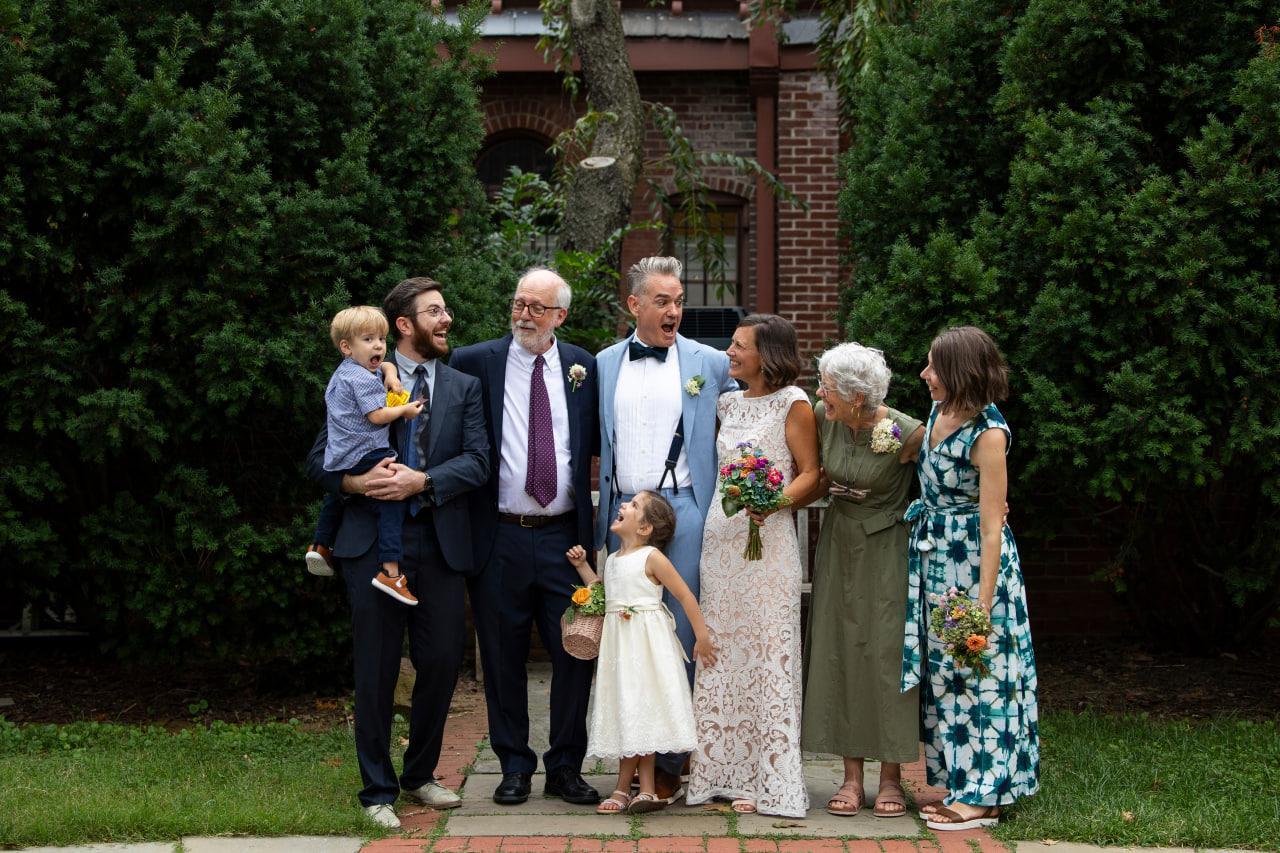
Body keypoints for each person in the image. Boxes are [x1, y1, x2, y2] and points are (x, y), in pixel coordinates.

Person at [305, 276, 489, 829]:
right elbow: (319, 460)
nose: (447, 318)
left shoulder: (463, 387)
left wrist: (423, 481)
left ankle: (420, 774)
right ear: (405, 324)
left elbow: (479, 461)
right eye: (435, 311)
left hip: (439, 541)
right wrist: (357, 484)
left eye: (446, 309)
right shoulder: (357, 378)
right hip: (371, 543)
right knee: (377, 666)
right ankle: (377, 791)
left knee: (441, 661)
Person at [450, 268, 602, 807]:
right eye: (519, 303)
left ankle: (565, 766)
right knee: (501, 655)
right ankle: (513, 764)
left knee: (576, 651)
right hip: (499, 536)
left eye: (538, 307)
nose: (524, 315)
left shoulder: (584, 365)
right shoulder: (474, 361)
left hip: (567, 541)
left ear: (560, 315)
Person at [595, 256, 735, 800]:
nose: (674, 311)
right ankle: (634, 751)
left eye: (678, 302)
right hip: (625, 510)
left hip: (686, 505)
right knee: (630, 628)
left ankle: (674, 760)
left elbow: (756, 403)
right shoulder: (603, 363)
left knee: (681, 623)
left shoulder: (709, 362)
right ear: (635, 305)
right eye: (662, 302)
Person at [901, 325, 1040, 831]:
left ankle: (986, 796)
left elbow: (990, 526)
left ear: (958, 372)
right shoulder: (938, 412)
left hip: (975, 567)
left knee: (983, 676)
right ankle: (962, 781)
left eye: (934, 366)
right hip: (935, 560)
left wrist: (983, 603)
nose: (924, 374)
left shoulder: (988, 434)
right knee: (946, 675)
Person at [685, 314, 820, 818]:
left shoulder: (794, 403)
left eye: (740, 346)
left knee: (766, 652)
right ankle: (720, 771)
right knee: (721, 650)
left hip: (769, 542)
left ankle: (769, 776)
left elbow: (812, 473)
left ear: (768, 355)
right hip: (721, 543)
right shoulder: (726, 404)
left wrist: (774, 502)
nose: (730, 353)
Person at [799, 343, 925, 818]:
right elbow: (811, 473)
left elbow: (943, 486)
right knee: (841, 651)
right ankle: (850, 778)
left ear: (856, 396)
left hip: (888, 548)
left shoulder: (908, 433)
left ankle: (891, 778)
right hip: (838, 544)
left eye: (827, 387)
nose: (819, 393)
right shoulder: (823, 417)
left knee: (888, 655)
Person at [565, 491, 718, 815]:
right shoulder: (613, 560)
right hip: (620, 649)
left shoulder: (652, 557)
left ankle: (625, 788)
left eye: (633, 505)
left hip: (648, 648)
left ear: (645, 528)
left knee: (642, 708)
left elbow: (685, 595)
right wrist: (582, 567)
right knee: (631, 710)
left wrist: (702, 636)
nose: (623, 505)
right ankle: (645, 789)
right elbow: (604, 593)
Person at [306, 306, 424, 604]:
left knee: (334, 497)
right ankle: (390, 570)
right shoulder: (362, 380)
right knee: (391, 497)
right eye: (369, 339)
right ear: (346, 347)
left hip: (340, 454)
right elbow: (377, 415)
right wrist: (405, 410)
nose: (379, 346)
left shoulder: (346, 371)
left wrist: (391, 373)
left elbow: (384, 366)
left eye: (382, 339)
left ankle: (320, 545)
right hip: (367, 452)